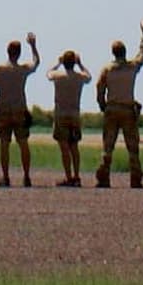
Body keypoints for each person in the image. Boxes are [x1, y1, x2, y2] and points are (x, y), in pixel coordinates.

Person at [93, 37, 143, 189]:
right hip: (128, 110)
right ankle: (135, 178)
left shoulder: (107, 69)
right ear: (125, 52)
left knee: (108, 146)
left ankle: (103, 177)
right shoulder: (131, 67)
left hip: (112, 109)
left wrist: (102, 105)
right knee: (133, 147)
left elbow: (99, 88)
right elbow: (142, 56)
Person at [0, 36, 39, 188]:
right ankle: (26, 176)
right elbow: (36, 63)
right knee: (23, 143)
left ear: (7, 52)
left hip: (3, 111)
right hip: (19, 111)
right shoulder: (22, 70)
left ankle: (6, 177)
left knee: (4, 145)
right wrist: (33, 46)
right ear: (19, 53)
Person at [48, 39, 93, 187]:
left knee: (64, 148)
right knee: (74, 147)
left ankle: (68, 177)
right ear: (73, 62)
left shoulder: (58, 77)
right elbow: (89, 76)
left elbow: (48, 73)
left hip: (61, 115)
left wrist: (58, 63)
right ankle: (76, 175)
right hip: (74, 115)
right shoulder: (79, 78)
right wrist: (80, 64)